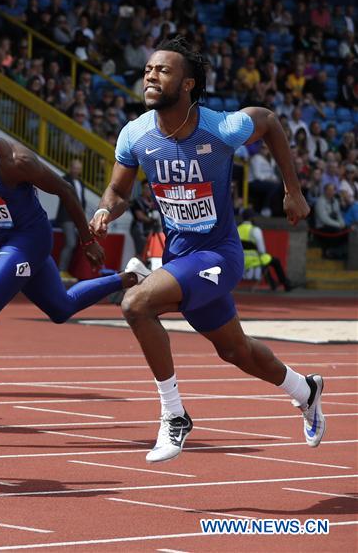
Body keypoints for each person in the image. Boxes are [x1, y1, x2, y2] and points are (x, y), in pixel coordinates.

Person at [89, 36, 323, 464]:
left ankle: (174, 416)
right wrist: (107, 210)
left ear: (189, 84)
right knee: (236, 351)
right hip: (181, 256)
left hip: (220, 254)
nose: (151, 76)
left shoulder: (220, 128)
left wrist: (293, 191)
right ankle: (304, 389)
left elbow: (268, 119)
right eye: (148, 70)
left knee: (136, 304)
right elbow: (117, 191)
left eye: (163, 70)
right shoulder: (136, 134)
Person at [0, 97, 144, 432]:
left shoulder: (13, 160)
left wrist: (86, 241)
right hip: (7, 243)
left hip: (29, 241)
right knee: (61, 308)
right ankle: (130, 276)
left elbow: (65, 190)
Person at [238, 209, 293, 291]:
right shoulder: (255, 230)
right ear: (251, 218)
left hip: (239, 259)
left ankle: (272, 283)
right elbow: (262, 250)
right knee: (274, 261)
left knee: (266, 260)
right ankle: (285, 284)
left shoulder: (236, 229)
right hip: (254, 260)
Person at [53, 158, 86, 280]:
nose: (77, 170)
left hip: (77, 217)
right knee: (71, 243)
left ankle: (65, 270)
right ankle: (61, 271)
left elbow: (82, 201)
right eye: (75, 168)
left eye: (79, 168)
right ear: (70, 168)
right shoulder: (64, 179)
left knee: (74, 244)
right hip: (66, 217)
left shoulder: (81, 183)